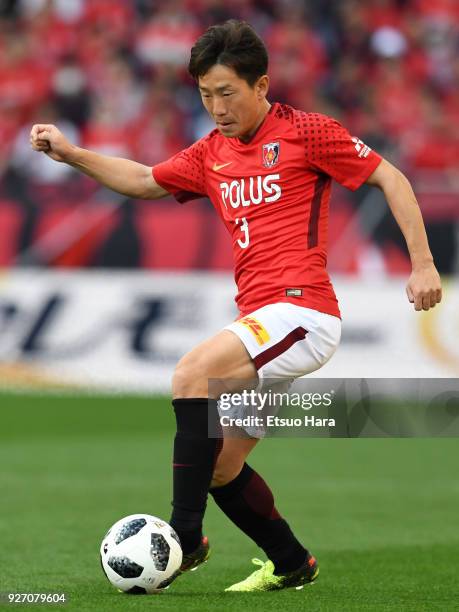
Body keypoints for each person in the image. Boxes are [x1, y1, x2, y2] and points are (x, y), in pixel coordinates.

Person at [30, 20, 442, 593]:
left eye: (227, 93)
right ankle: (292, 562)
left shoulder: (307, 133)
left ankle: (182, 537)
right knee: (220, 464)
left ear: (261, 85)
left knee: (190, 373)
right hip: (263, 321)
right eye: (205, 95)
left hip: (302, 314)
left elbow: (390, 178)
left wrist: (423, 264)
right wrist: (73, 154)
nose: (216, 107)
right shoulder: (211, 152)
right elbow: (148, 178)